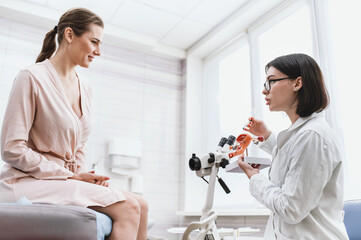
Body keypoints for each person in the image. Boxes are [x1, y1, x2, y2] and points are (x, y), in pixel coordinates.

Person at [0, 8, 148, 240]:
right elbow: (12, 148)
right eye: (94, 42)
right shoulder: (31, 77)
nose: (98, 51)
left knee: (142, 205)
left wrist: (80, 174)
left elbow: (80, 144)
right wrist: (67, 176)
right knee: (128, 206)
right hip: (26, 180)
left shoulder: (85, 87)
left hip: (64, 179)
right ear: (70, 35)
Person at [238, 53, 349, 239]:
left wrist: (254, 178)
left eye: (271, 81)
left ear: (297, 83)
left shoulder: (312, 136)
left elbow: (291, 209)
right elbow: (295, 162)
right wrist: (267, 137)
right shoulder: (304, 135)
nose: (265, 91)